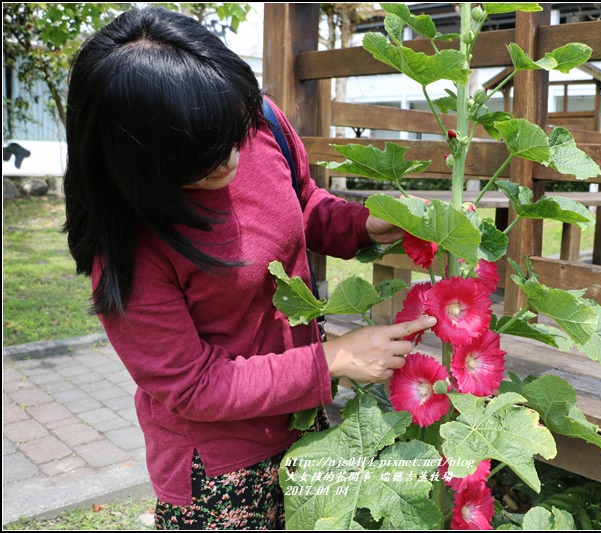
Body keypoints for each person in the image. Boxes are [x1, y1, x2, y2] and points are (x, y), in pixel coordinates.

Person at [62, 7, 435, 530]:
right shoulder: (126, 246)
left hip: (307, 422)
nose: (231, 159)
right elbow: (193, 387)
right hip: (223, 468)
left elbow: (300, 203)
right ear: (136, 164)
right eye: (204, 158)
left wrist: (363, 225)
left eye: (235, 133)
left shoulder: (253, 120)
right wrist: (330, 360)